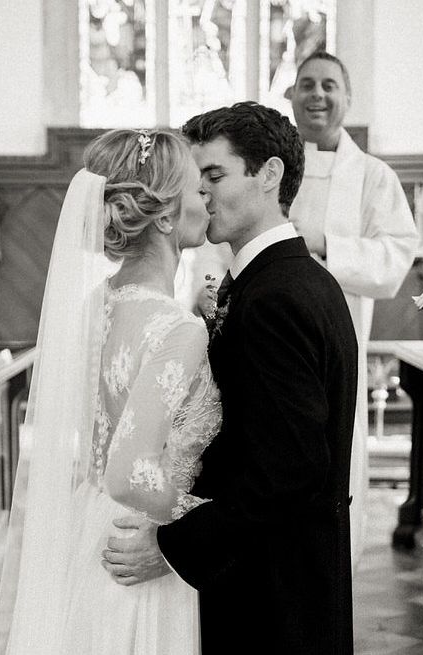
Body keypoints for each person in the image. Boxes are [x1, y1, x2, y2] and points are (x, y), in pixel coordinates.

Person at [102, 102, 358, 655]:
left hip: (274, 598)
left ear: (269, 175)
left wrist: (175, 546)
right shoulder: (279, 282)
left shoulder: (278, 297)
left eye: (214, 176)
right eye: (197, 181)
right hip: (265, 577)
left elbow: (290, 468)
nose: (202, 196)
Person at [0, 128, 221, 654]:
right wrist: (204, 521)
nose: (205, 197)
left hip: (90, 528)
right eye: (195, 186)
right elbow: (127, 471)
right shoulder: (177, 329)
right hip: (141, 547)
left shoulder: (97, 302)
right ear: (163, 215)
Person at [288, 52, 419, 566]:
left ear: (347, 98)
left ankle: (329, 568)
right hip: (272, 338)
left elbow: (392, 261)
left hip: (334, 347)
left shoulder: (372, 176)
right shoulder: (271, 167)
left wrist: (326, 244)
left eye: (328, 85)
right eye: (306, 84)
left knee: (331, 459)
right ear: (291, 96)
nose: (317, 94)